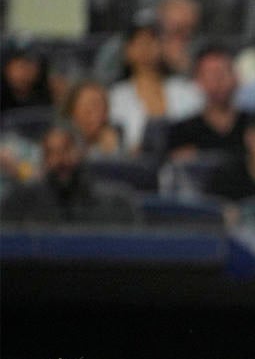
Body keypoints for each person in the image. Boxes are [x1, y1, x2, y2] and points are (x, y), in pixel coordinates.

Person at [1, 126, 139, 225]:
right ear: (43, 160)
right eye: (51, 153)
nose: (59, 159)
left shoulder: (117, 203)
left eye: (66, 149)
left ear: (82, 153)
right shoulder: (20, 202)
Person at [107, 24, 203, 155]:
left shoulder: (186, 90)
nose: (145, 48)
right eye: (139, 43)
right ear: (127, 51)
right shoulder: (115, 96)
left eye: (151, 41)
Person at [166, 45, 250, 161]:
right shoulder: (182, 133)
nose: (218, 80)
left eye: (222, 72)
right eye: (211, 74)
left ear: (236, 76)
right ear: (197, 80)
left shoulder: (254, 126)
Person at [62, 81, 123, 162]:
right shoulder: (60, 139)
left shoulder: (117, 137)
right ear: (71, 111)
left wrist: (112, 152)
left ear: (106, 113)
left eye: (96, 105)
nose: (90, 112)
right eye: (85, 105)